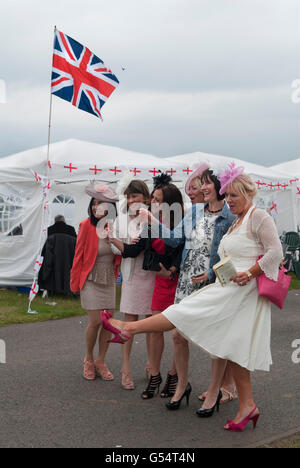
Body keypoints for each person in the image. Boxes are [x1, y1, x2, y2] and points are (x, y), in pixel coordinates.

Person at [101, 164, 283, 431]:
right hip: (219, 285)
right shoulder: (233, 219)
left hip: (236, 291)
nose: (228, 199)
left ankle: (129, 328)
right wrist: (152, 221)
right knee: (230, 346)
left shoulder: (256, 217)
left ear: (245, 193)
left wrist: (248, 273)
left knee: (196, 326)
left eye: (232, 195)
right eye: (227, 194)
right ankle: (247, 406)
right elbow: (199, 248)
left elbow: (274, 252)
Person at [146, 163, 236, 409]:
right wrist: (153, 221)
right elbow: (175, 240)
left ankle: (214, 391)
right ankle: (182, 385)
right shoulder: (195, 212)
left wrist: (211, 272)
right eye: (201, 183)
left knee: (215, 340)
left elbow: (234, 257)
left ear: (220, 186)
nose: (201, 187)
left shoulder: (231, 217)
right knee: (177, 334)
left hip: (214, 284)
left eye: (206, 183)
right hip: (186, 282)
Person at [110, 173, 184, 399]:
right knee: (150, 328)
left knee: (178, 332)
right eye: (154, 198)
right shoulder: (145, 222)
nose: (154, 202)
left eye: (158, 199)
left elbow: (181, 248)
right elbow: (133, 250)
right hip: (152, 279)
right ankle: (153, 373)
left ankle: (174, 374)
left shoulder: (180, 221)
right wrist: (116, 240)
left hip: (171, 279)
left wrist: (172, 270)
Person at [109, 180, 156, 391]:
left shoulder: (153, 218)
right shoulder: (122, 219)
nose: (131, 200)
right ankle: (125, 368)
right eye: (128, 197)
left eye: (135, 196)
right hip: (131, 275)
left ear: (145, 197)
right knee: (129, 322)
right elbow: (118, 249)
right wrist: (120, 242)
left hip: (151, 274)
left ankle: (151, 365)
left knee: (151, 323)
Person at [70, 183, 118, 382]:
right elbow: (78, 255)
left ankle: (101, 361)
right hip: (90, 277)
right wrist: (74, 282)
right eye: (94, 203)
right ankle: (88, 358)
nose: (96, 207)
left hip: (108, 278)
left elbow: (122, 254)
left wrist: (114, 241)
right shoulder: (85, 226)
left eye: (101, 204)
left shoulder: (114, 228)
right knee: (96, 320)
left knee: (107, 323)